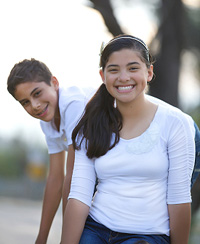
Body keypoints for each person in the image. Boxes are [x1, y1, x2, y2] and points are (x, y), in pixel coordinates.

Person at [61, 34, 196, 244]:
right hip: (97, 228)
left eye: (133, 68)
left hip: (147, 235)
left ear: (149, 72)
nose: (123, 77)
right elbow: (79, 196)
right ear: (103, 75)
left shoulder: (176, 123)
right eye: (113, 70)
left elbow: (179, 199)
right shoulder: (91, 123)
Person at [7, 59, 88, 244]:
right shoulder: (48, 121)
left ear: (55, 82)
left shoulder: (73, 103)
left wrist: (66, 238)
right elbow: (55, 178)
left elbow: (72, 176)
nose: (34, 105)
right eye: (25, 102)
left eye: (37, 93)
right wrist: (41, 237)